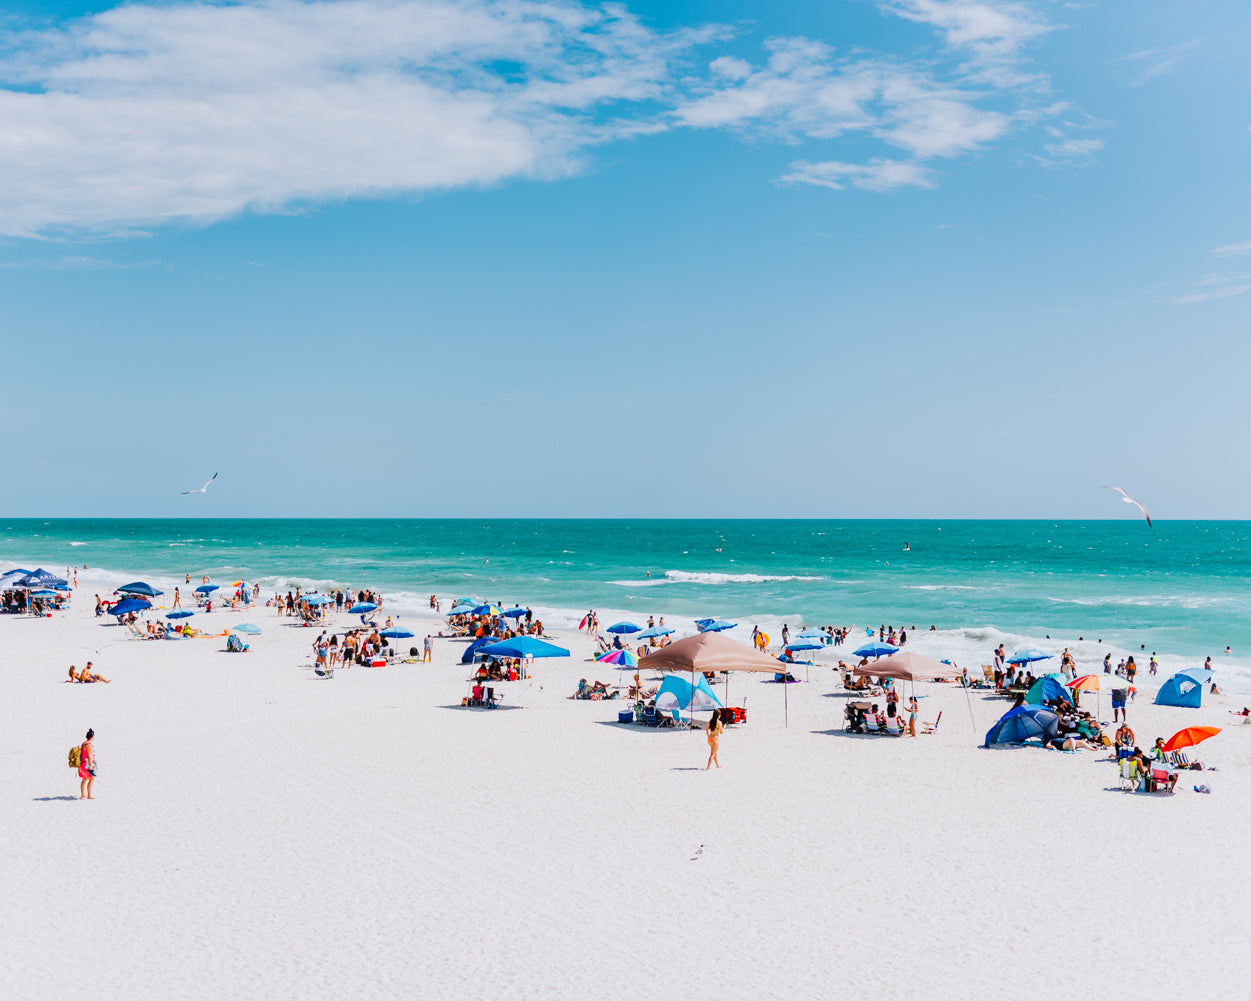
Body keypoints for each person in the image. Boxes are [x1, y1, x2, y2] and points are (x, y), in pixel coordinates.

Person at [78, 728, 96, 799]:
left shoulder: (84, 743)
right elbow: (89, 755)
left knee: (84, 779)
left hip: (82, 764)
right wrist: (90, 765)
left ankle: (83, 794)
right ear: (92, 736)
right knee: (91, 778)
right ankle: (89, 795)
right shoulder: (88, 744)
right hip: (86, 764)